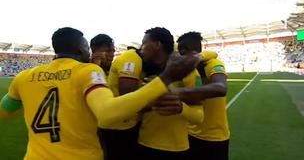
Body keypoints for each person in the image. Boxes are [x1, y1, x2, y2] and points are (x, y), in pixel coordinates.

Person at [0, 27, 200, 160]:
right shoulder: (88, 71)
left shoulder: (24, 77)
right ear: (82, 49)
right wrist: (165, 78)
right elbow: (107, 114)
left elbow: (4, 113)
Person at [136, 27, 203, 160]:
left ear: (157, 45)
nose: (141, 48)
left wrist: (180, 108)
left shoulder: (188, 72)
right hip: (144, 144)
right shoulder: (142, 69)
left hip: (175, 148)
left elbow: (199, 117)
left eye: (144, 43)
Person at [176, 32, 230, 160]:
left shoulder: (213, 64)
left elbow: (221, 88)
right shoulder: (185, 70)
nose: (181, 54)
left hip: (214, 137)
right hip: (190, 134)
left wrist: (178, 93)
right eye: (179, 50)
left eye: (184, 50)